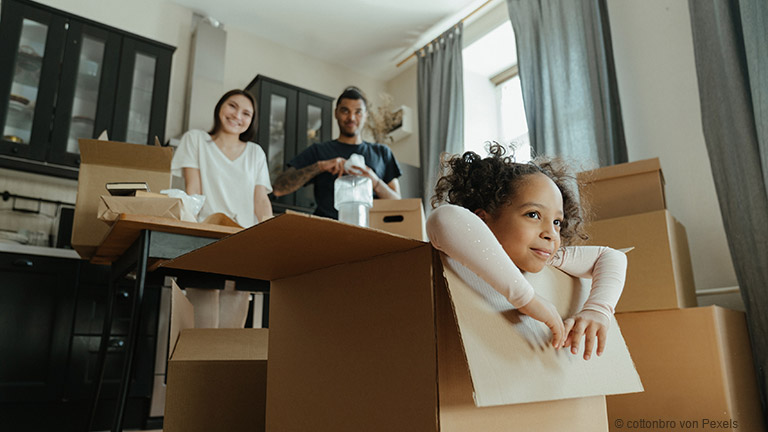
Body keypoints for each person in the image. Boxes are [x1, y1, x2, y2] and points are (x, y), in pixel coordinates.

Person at [426, 144, 627, 360]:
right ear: (482, 219)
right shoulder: (457, 243)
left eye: (557, 221)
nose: (551, 233)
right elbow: (444, 218)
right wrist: (527, 299)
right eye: (533, 215)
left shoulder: (548, 256)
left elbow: (612, 256)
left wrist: (598, 310)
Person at [272, 86, 402, 219]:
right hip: (327, 232)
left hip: (371, 233)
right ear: (336, 113)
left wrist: (374, 181)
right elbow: (279, 188)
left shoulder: (382, 153)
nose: (351, 117)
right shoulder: (319, 151)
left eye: (358, 112)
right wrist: (320, 167)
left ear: (366, 115)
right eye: (345, 111)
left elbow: (399, 205)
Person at [172, 89, 273, 227]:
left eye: (246, 113)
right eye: (232, 106)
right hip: (207, 228)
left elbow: (260, 200)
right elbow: (194, 190)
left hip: (244, 234)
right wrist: (192, 230)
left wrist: (271, 233)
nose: (237, 116)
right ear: (220, 106)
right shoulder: (195, 139)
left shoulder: (256, 153)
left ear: (251, 120)